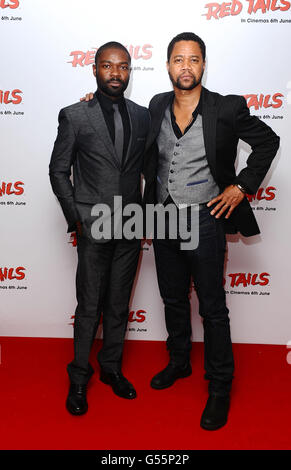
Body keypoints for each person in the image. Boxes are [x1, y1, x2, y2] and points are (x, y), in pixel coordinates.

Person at [142, 32, 280, 430]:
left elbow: (268, 142)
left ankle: (220, 385)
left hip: (205, 217)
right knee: (172, 298)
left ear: (204, 65)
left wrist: (240, 186)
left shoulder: (226, 107)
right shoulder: (155, 106)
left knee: (213, 309)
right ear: (167, 65)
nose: (186, 66)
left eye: (194, 59)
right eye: (178, 59)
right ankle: (180, 362)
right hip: (164, 217)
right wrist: (91, 102)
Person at [49, 41, 150, 416]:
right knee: (89, 306)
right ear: (94, 70)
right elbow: (58, 169)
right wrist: (76, 216)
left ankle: (110, 370)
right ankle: (78, 378)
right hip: (93, 226)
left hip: (131, 225)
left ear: (129, 72)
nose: (115, 73)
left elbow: (149, 167)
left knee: (119, 305)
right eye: (107, 66)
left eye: (122, 67)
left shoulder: (142, 116)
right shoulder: (75, 115)